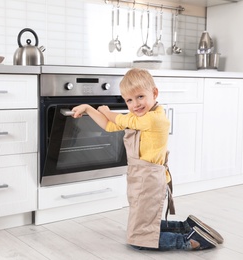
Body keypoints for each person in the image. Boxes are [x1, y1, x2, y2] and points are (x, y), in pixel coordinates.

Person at [71, 68, 223, 251]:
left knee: (138, 240)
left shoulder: (153, 119)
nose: (135, 104)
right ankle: (186, 227)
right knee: (142, 225)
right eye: (129, 100)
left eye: (140, 97)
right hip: (139, 176)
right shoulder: (140, 116)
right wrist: (88, 108)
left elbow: (118, 119)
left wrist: (106, 110)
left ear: (155, 93)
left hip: (149, 179)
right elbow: (109, 125)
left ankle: (191, 241)